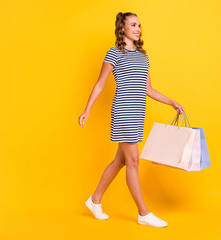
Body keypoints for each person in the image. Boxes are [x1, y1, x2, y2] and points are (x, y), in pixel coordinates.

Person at [78, 12, 184, 228]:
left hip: (137, 113)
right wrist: (87, 110)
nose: (138, 29)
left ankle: (95, 200)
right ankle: (144, 213)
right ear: (123, 29)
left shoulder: (143, 55)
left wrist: (171, 101)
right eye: (133, 25)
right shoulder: (114, 53)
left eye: (139, 25)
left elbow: (148, 89)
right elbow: (100, 83)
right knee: (133, 161)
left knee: (121, 160)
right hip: (124, 111)